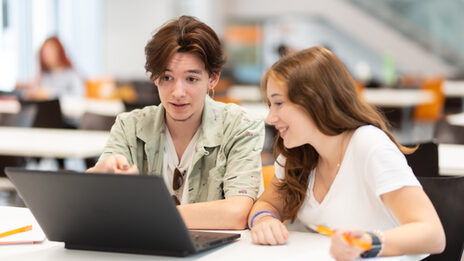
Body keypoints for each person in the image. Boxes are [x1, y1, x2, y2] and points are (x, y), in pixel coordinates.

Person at [248, 46, 445, 260]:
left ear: (315, 100)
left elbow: (433, 234)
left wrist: (367, 242)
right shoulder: (296, 153)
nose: (270, 118)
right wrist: (264, 219)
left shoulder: (368, 144)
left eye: (278, 103)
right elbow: (267, 204)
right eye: (270, 105)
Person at [86, 16, 265, 230]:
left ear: (213, 78)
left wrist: (151, 214)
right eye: (167, 78)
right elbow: (90, 202)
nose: (178, 93)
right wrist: (102, 172)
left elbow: (237, 213)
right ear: (154, 77)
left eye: (191, 79)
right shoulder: (131, 126)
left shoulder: (239, 126)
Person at [19, 36, 84, 100]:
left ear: (59, 52)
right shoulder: (45, 76)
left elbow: (78, 96)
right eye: (44, 53)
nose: (46, 56)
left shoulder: (72, 74)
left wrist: (49, 94)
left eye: (49, 52)